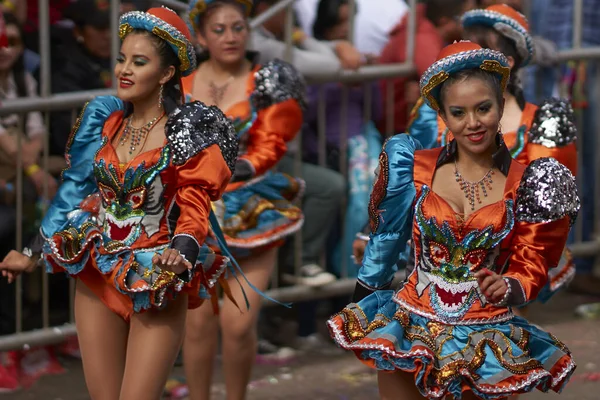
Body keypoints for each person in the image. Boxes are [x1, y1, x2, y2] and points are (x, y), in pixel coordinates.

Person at [0, 7, 240, 400]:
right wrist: (33, 251)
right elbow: (74, 192)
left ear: (165, 73)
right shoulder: (103, 120)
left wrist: (182, 251)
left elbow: (195, 204)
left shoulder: (187, 131)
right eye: (122, 58)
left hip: (155, 276)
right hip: (98, 272)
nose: (124, 69)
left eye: (139, 62)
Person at [327, 41, 578, 399]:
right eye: (458, 112)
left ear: (500, 105)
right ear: (442, 116)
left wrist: (509, 285)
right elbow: (386, 242)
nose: (473, 123)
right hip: (409, 328)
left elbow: (532, 260)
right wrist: (360, 303)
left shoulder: (528, 182)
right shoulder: (411, 168)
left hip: (486, 342)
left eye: (483, 108)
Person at [408, 4, 578, 301]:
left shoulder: (542, 123)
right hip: (442, 254)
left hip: (510, 257)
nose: (468, 58)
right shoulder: (434, 116)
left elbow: (544, 215)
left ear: (508, 63)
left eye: (483, 50)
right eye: (464, 46)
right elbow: (406, 180)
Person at [181, 1, 305, 398]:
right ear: (200, 36)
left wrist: (234, 169)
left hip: (250, 208)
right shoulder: (177, 84)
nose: (231, 37)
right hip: (190, 212)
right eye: (219, 30)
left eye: (238, 27)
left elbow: (271, 144)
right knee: (197, 323)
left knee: (237, 325)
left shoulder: (267, 82)